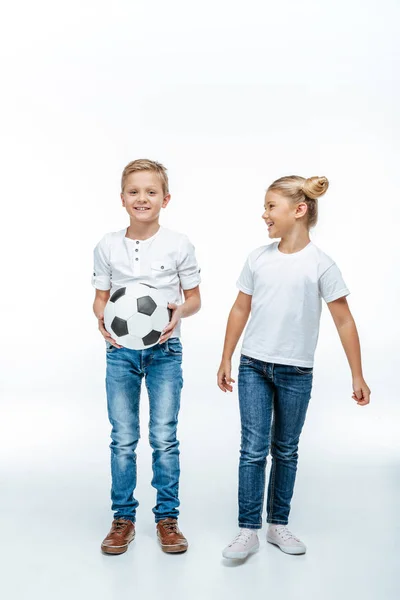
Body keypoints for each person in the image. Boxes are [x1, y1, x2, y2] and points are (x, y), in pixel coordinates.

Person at [217, 175, 370, 559]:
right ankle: (247, 529)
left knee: (285, 449)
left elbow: (344, 321)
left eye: (271, 206)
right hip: (254, 365)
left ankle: (277, 525)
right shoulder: (257, 258)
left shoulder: (321, 264)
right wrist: (226, 356)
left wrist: (357, 374)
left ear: (298, 210)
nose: (264, 214)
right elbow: (240, 308)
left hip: (295, 372)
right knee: (252, 450)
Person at [92, 159, 201, 555]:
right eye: (134, 192)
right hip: (120, 353)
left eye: (151, 192)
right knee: (123, 438)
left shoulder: (178, 244)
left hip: (165, 352)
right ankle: (123, 518)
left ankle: (167, 519)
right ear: (122, 199)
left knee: (163, 438)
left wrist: (177, 315)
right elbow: (101, 300)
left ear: (165, 199)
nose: (143, 198)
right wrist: (102, 322)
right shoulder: (107, 245)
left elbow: (194, 300)